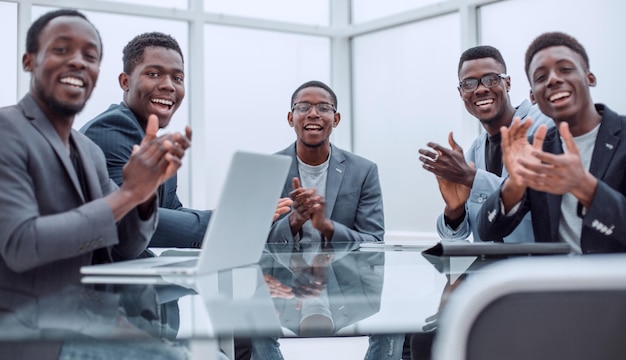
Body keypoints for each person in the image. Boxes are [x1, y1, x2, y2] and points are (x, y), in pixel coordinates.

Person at [0, 8, 219, 360]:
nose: (78, 62)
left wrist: (143, 195)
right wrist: (128, 194)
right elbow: (22, 244)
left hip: (96, 319)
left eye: (90, 56)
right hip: (31, 330)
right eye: (61, 50)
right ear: (29, 61)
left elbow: (122, 249)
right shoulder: (7, 130)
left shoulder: (87, 150)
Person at [81, 32, 291, 249]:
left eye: (178, 78)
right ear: (125, 82)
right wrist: (228, 221)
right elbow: (133, 221)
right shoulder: (111, 130)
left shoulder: (156, 144)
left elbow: (172, 211)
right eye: (153, 74)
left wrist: (233, 215)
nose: (169, 86)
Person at [251, 80, 404, 360]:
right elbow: (254, 241)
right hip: (281, 282)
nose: (313, 114)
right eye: (303, 107)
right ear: (290, 118)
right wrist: (294, 221)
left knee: (397, 315)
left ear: (336, 118)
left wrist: (327, 226)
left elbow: (373, 240)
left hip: (347, 280)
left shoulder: (363, 170)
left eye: (323, 107)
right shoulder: (268, 169)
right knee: (251, 314)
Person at [477, 31, 626, 254]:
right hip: (555, 286)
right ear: (533, 96)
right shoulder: (538, 150)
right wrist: (514, 185)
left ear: (589, 77)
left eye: (565, 69)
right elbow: (487, 230)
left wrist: (585, 187)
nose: (553, 79)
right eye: (540, 77)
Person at [419, 45, 552, 244]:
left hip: (537, 272)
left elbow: (546, 202)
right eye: (469, 83)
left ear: (507, 83)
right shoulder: (474, 152)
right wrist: (454, 210)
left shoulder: (543, 126)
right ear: (461, 92)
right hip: (489, 274)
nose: (481, 89)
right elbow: (456, 235)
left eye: (491, 79)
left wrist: (473, 178)